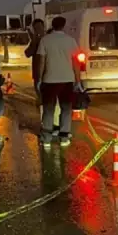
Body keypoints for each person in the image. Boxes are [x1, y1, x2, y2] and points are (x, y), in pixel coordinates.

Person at [35, 16, 81, 148]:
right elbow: (76, 63)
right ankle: (64, 137)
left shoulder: (45, 40)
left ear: (52, 26)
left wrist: (39, 79)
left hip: (49, 80)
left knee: (48, 109)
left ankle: (47, 138)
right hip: (67, 79)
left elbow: (41, 62)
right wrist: (77, 80)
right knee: (66, 108)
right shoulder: (71, 41)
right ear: (64, 26)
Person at [25, 19, 59, 134]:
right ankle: (45, 124)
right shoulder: (36, 41)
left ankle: (53, 124)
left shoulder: (48, 39)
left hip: (50, 74)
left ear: (44, 27)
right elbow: (27, 53)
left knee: (51, 100)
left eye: (40, 27)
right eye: (36, 28)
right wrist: (34, 40)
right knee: (42, 101)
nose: (38, 29)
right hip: (38, 76)